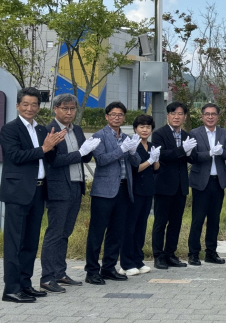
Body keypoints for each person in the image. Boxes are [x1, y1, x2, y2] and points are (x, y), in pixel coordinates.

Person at [0, 87, 65, 303]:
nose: (30, 108)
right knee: (14, 243)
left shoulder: (41, 130)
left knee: (30, 242)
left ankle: (25, 285)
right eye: (25, 104)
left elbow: (47, 157)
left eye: (34, 104)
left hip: (38, 190)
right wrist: (45, 148)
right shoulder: (10, 129)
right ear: (18, 106)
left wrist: (54, 146)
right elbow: (15, 156)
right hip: (18, 192)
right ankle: (11, 289)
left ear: (39, 106)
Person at [40, 94, 100, 293]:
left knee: (66, 233)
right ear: (55, 109)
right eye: (65, 108)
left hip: (76, 186)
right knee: (54, 233)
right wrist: (80, 154)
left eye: (72, 108)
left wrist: (89, 149)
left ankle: (60, 273)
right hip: (58, 188)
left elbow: (83, 157)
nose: (69, 112)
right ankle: (47, 278)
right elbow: (54, 161)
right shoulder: (50, 130)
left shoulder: (77, 129)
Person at [85, 101, 141, 285]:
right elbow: (101, 160)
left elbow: (136, 162)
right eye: (113, 114)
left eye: (120, 115)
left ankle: (108, 268)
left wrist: (132, 151)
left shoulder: (126, 136)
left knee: (116, 231)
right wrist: (121, 150)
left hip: (124, 189)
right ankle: (92, 271)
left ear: (124, 117)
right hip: (104, 191)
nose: (117, 117)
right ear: (107, 116)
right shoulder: (99, 136)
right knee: (97, 231)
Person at [152, 102, 198, 270]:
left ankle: (170, 254)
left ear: (184, 117)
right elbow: (162, 155)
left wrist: (189, 151)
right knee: (160, 223)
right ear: (168, 116)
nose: (177, 116)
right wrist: (181, 150)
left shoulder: (187, 135)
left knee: (175, 223)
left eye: (180, 114)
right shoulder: (159, 134)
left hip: (181, 186)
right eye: (173, 113)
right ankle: (158, 256)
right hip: (164, 185)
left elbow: (193, 158)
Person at [188, 103, 226, 265]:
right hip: (201, 182)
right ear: (202, 116)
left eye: (213, 114)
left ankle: (211, 252)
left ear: (218, 116)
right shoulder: (194, 133)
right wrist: (209, 153)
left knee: (214, 219)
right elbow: (192, 156)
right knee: (198, 219)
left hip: (218, 182)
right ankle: (193, 253)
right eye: (207, 114)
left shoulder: (224, 133)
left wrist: (221, 152)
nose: (210, 117)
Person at [119, 114, 160, 276]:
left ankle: (138, 259)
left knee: (141, 227)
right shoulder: (132, 145)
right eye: (141, 127)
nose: (145, 130)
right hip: (133, 191)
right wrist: (150, 161)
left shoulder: (151, 145)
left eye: (148, 127)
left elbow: (156, 169)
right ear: (135, 129)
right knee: (130, 227)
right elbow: (135, 169)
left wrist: (155, 158)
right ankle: (126, 263)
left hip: (148, 190)